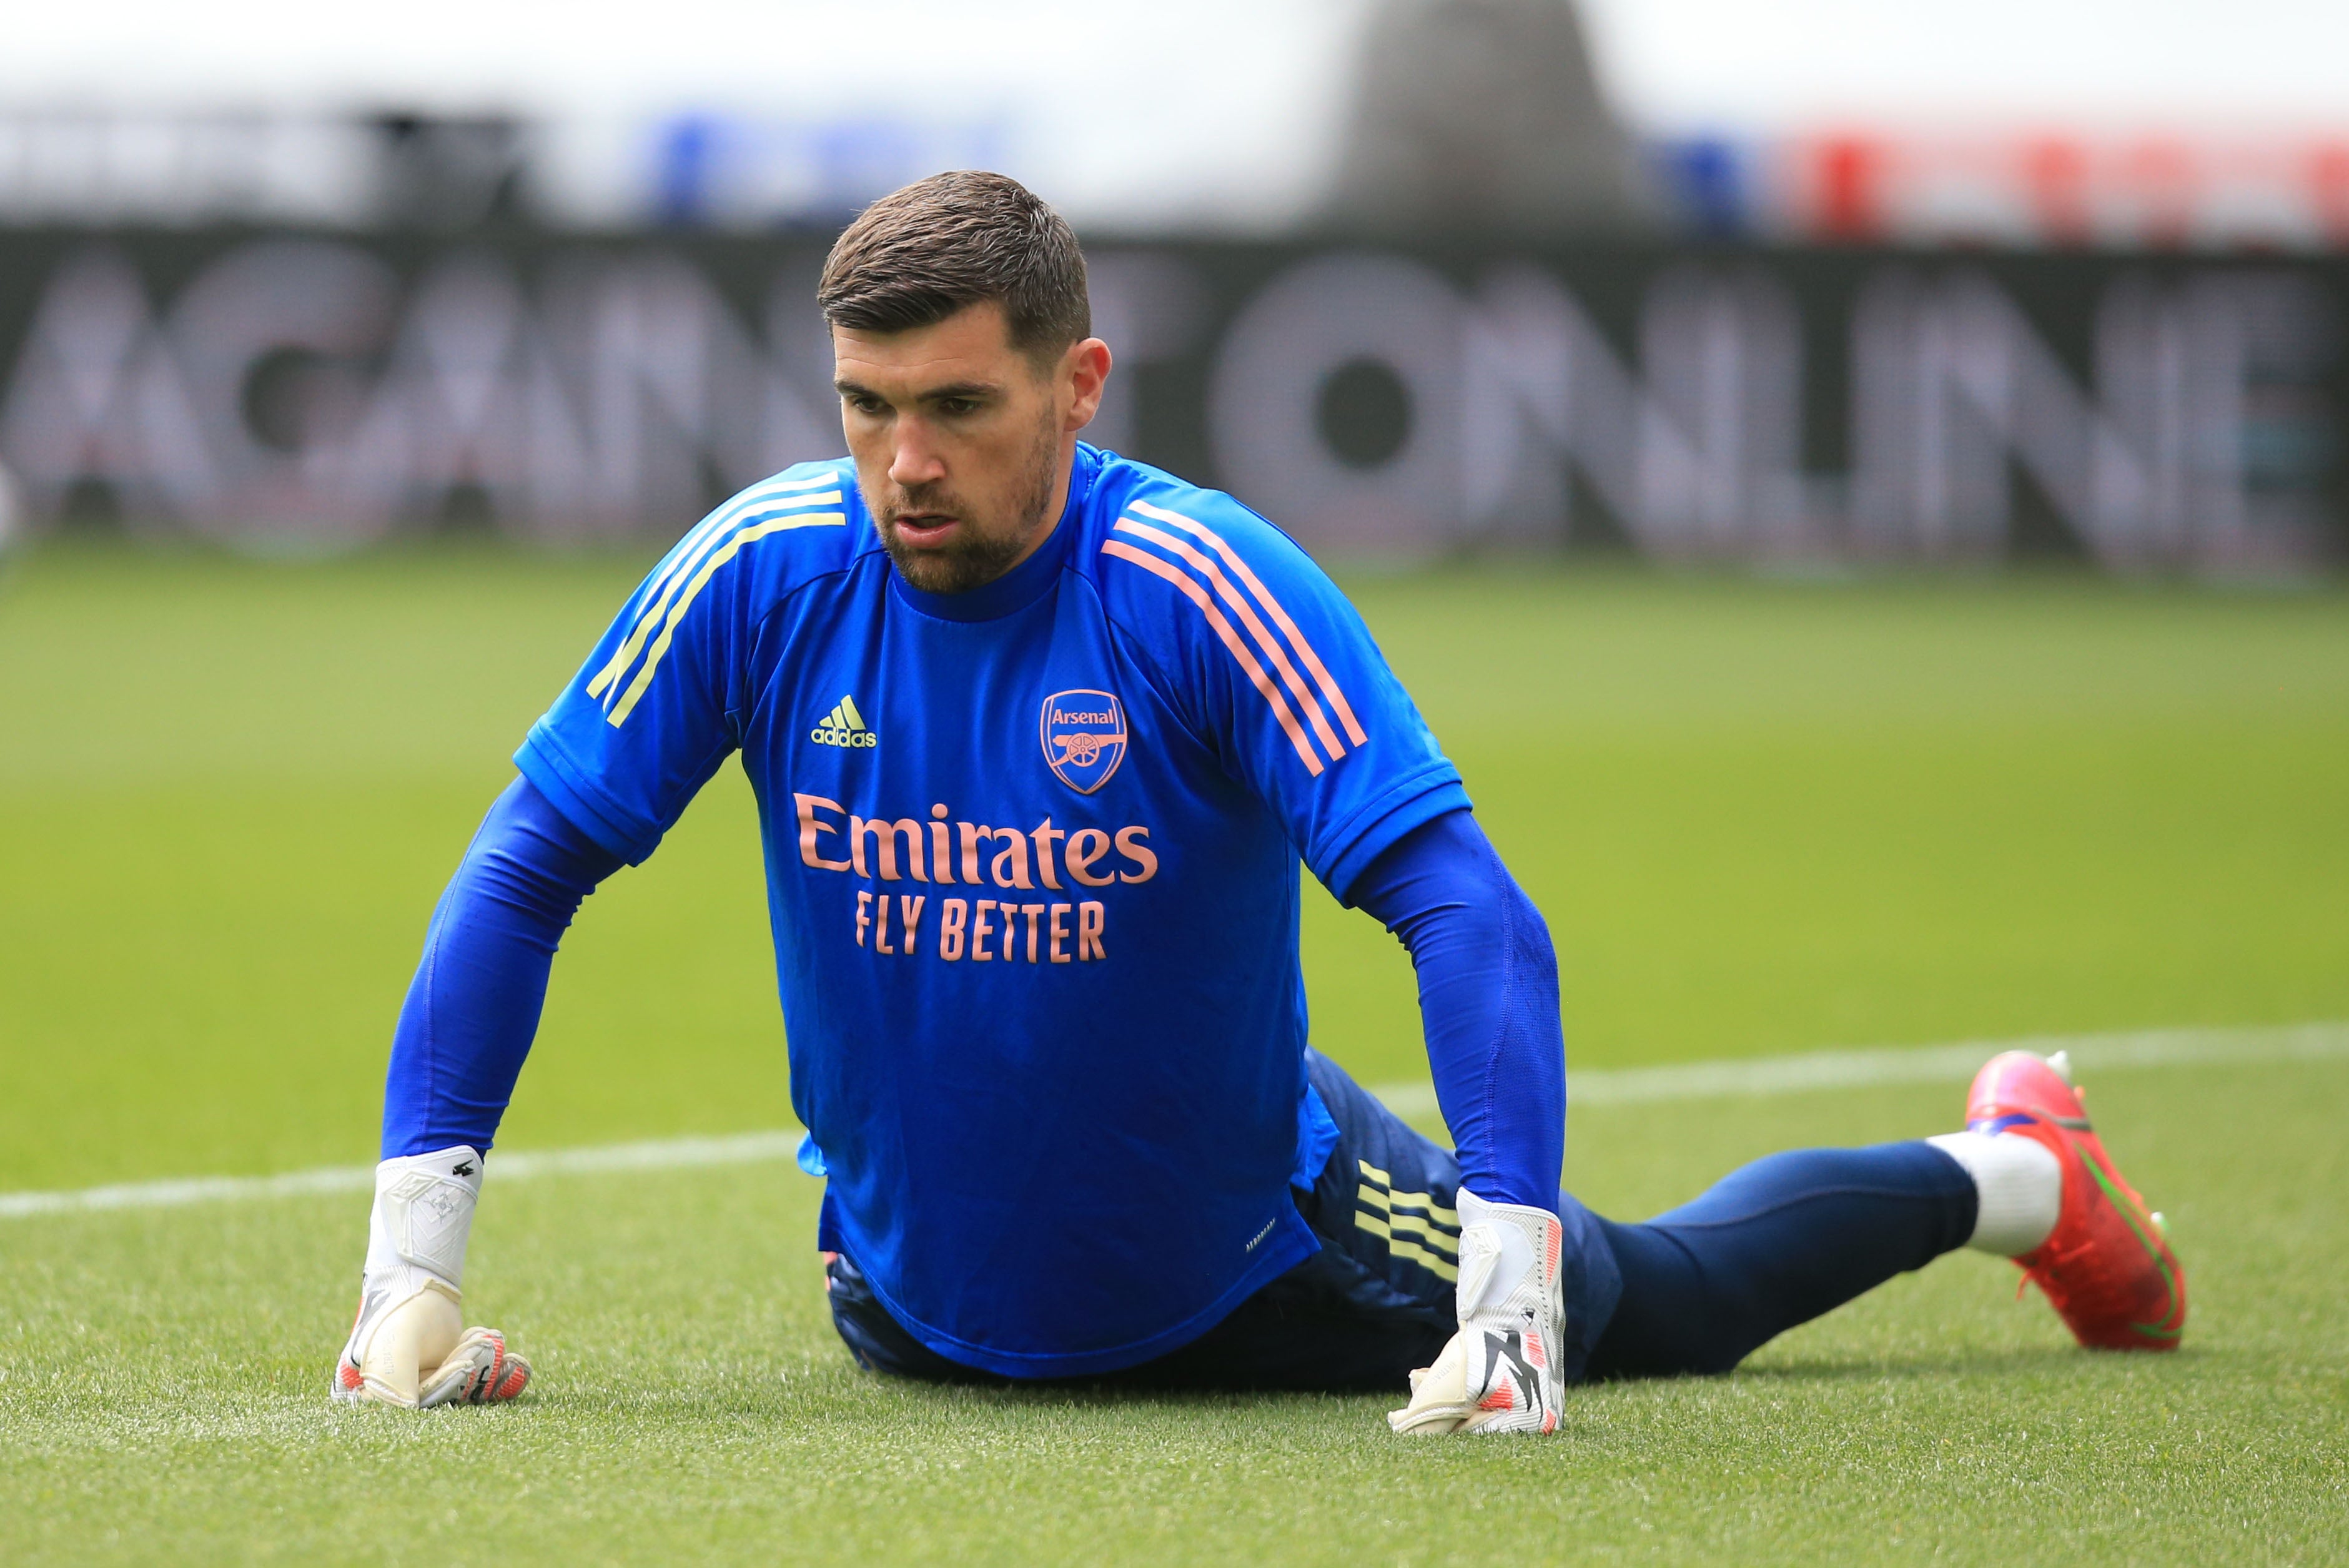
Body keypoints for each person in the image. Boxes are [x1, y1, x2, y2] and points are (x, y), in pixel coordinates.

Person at [331, 172, 2185, 1426]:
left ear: (1079, 385)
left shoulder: (1197, 587)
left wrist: (1508, 1301)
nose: (903, 464)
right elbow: (527, 862)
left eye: (959, 407)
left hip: (1263, 1268)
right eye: (864, 405)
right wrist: (408, 1278)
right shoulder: (760, 572)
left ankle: (2022, 1173)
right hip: (902, 1311)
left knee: (1673, 1300)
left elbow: (1467, 909)